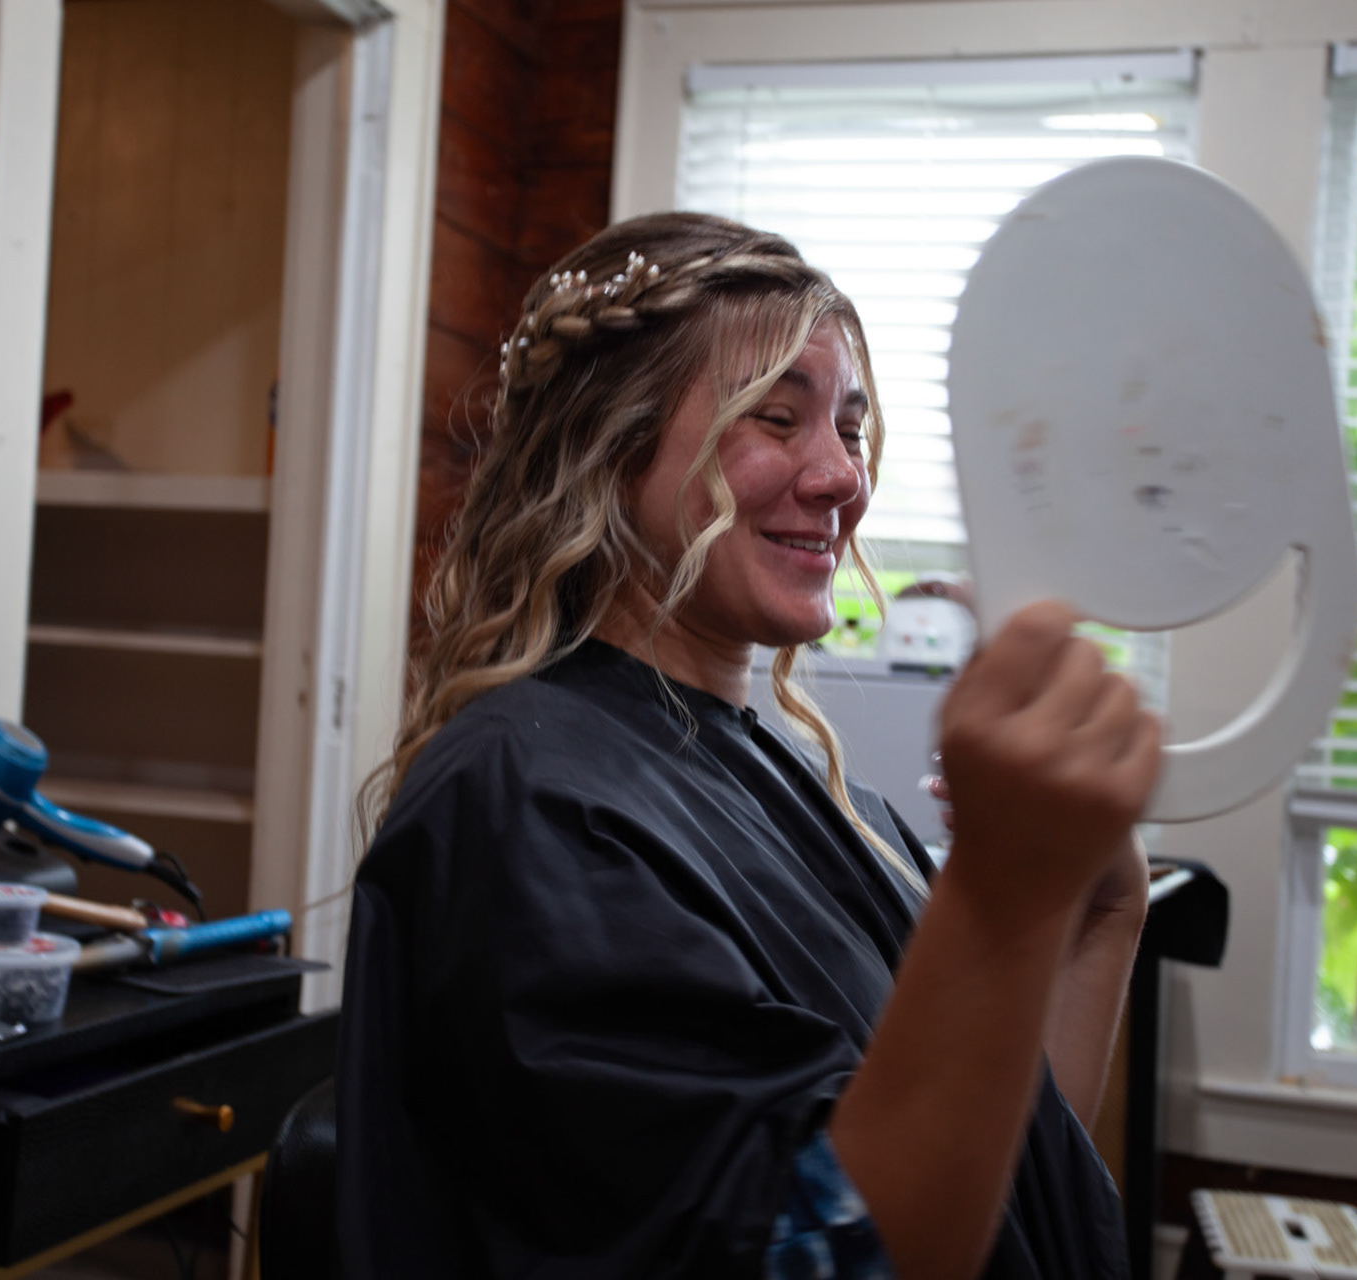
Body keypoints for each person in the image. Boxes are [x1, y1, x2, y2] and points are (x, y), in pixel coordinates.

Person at [336, 212, 1162, 1279]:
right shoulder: (528, 806)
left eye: (850, 431)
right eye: (777, 418)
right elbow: (815, 1254)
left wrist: (1097, 912)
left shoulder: (812, 791)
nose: (842, 478)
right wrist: (996, 895)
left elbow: (1000, 1182)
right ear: (610, 446)